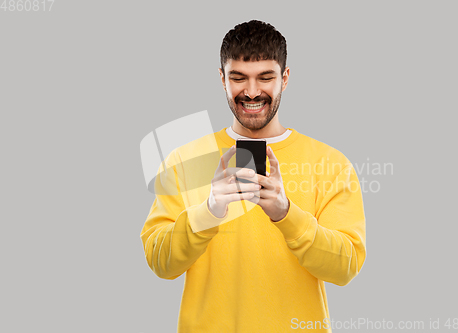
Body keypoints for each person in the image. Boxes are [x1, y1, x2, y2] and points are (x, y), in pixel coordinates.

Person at [140, 20, 366, 332]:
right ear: (222, 78)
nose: (251, 91)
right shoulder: (185, 160)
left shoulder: (330, 163)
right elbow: (160, 263)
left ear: (284, 78)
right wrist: (207, 214)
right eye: (238, 77)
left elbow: (346, 267)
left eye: (265, 77)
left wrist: (286, 214)